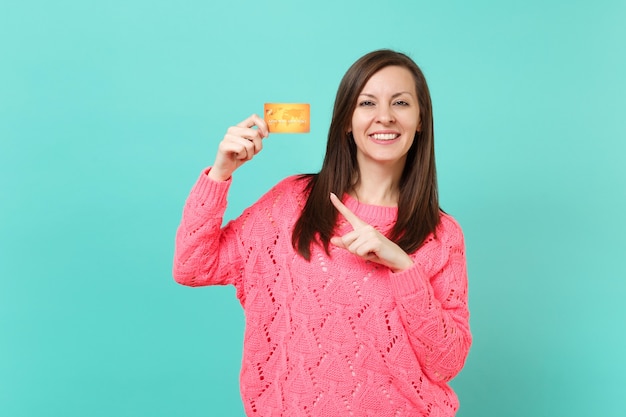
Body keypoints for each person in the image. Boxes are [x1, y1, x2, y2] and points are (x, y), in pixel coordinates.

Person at [173, 49, 471, 416]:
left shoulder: (442, 235)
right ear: (346, 119)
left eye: (401, 102)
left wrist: (403, 266)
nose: (384, 116)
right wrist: (220, 175)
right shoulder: (292, 202)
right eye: (367, 102)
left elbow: (448, 362)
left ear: (420, 119)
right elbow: (192, 266)